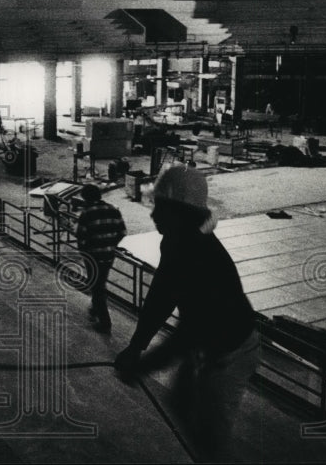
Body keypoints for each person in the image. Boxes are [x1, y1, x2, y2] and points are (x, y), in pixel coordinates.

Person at [113, 164, 258, 462]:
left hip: (229, 355)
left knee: (213, 439)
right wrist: (137, 346)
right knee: (182, 402)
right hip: (210, 347)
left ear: (181, 212)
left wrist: (142, 363)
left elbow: (189, 332)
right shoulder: (178, 242)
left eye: (160, 207)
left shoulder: (200, 257)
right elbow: (161, 297)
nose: (152, 215)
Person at [74, 184, 126, 334]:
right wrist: (110, 244)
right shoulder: (113, 209)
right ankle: (95, 307)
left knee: (96, 287)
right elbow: (122, 231)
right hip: (108, 255)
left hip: (93, 256)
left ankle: (104, 322)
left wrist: (85, 251)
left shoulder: (87, 213)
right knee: (100, 282)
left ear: (85, 198)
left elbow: (81, 236)